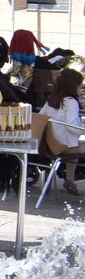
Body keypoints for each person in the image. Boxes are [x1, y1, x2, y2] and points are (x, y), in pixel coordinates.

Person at [39, 67, 85, 196]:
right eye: (80, 85)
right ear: (72, 86)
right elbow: (73, 127)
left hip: (49, 145)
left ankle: (70, 179)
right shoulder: (71, 102)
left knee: (75, 145)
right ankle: (70, 178)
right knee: (77, 146)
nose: (81, 87)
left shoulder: (50, 100)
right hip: (65, 147)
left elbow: (40, 118)